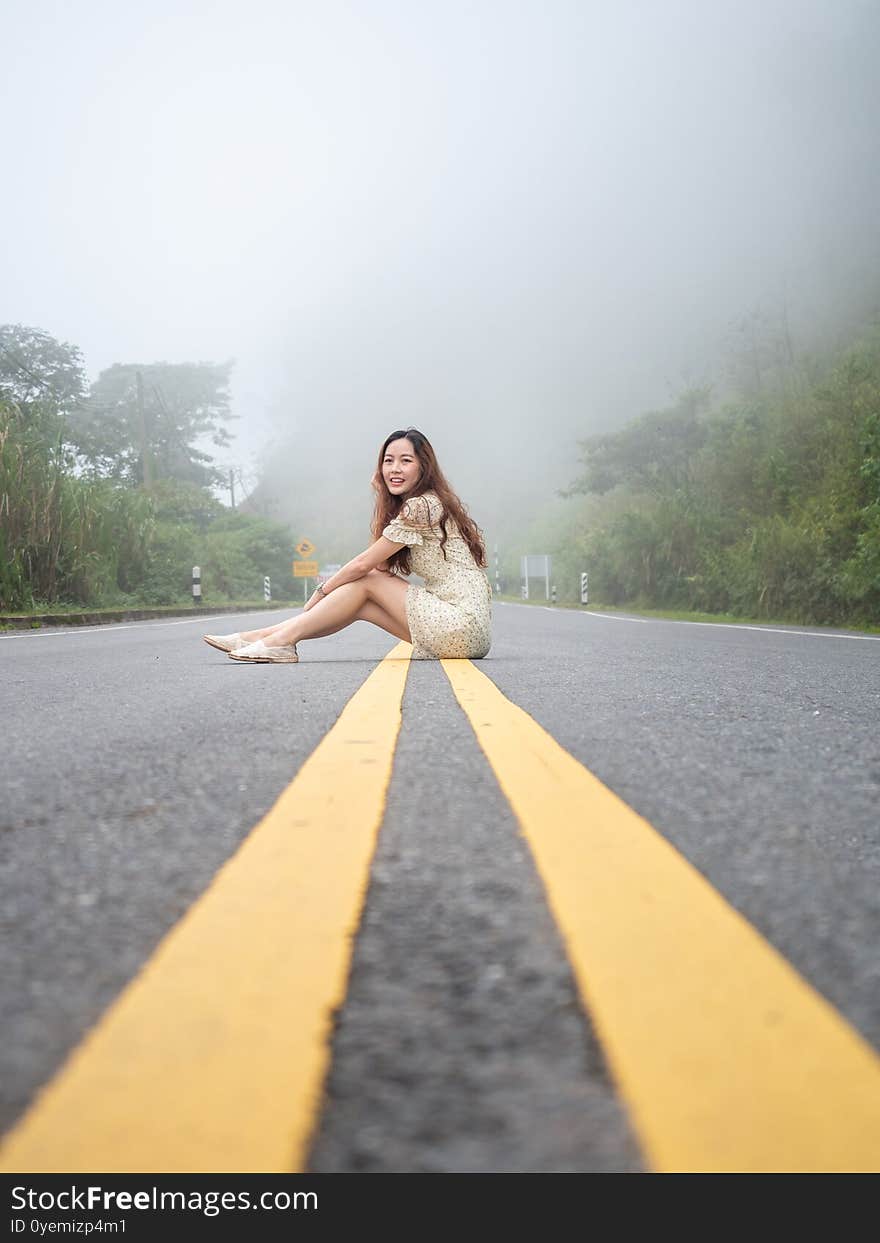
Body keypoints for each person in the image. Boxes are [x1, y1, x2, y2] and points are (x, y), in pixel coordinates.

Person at [202, 428, 493, 664]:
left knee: (366, 582)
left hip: (459, 621)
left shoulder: (422, 506)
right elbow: (380, 563)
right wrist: (383, 499)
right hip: (467, 634)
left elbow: (365, 566)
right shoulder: (419, 505)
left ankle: (278, 641)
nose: (394, 468)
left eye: (406, 461)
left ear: (423, 467)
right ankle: (261, 637)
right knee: (360, 605)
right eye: (388, 460)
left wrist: (321, 591)